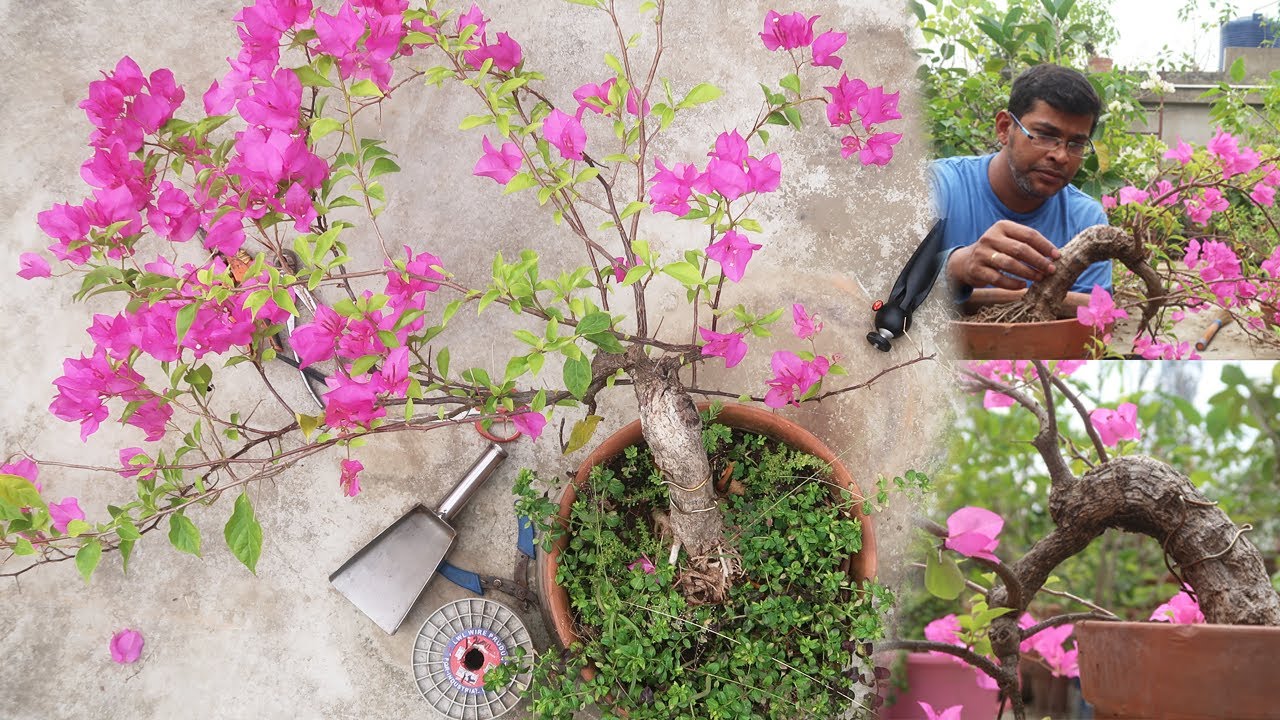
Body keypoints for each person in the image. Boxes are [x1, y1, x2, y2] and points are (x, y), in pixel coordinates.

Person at [932, 63, 1111, 310]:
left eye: (1076, 144)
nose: (1061, 156)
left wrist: (968, 298)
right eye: (1045, 135)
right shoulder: (938, 187)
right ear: (1004, 128)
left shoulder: (1086, 220)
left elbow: (1094, 313)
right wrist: (957, 265)